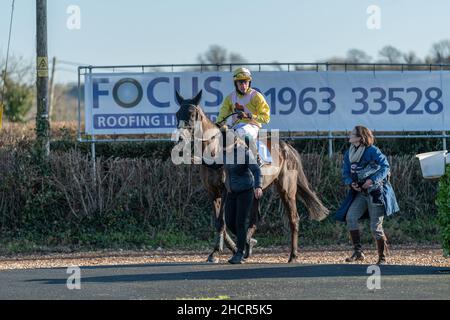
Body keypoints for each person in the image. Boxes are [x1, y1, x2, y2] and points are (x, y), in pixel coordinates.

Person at [335, 125, 400, 265]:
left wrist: (372, 180)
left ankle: (382, 258)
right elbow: (345, 172)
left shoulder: (372, 150)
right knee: (350, 217)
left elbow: (385, 167)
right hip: (360, 194)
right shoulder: (349, 153)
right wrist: (350, 183)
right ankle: (358, 253)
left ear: (360, 137)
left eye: (352, 134)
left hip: (375, 193)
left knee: (375, 227)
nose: (350, 135)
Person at [221, 129, 263, 264]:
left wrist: (258, 186)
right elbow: (215, 164)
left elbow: (256, 170)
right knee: (229, 221)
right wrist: (199, 159)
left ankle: (239, 253)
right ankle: (246, 241)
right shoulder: (224, 153)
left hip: (246, 191)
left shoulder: (244, 152)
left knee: (240, 222)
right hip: (232, 192)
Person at [216, 67, 271, 166]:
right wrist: (218, 124)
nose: (243, 85)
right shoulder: (230, 98)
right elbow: (222, 115)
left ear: (249, 82)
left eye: (246, 82)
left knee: (241, 132)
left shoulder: (256, 96)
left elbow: (266, 118)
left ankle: (257, 157)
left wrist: (249, 115)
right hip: (236, 127)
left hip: (252, 126)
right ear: (236, 84)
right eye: (240, 83)